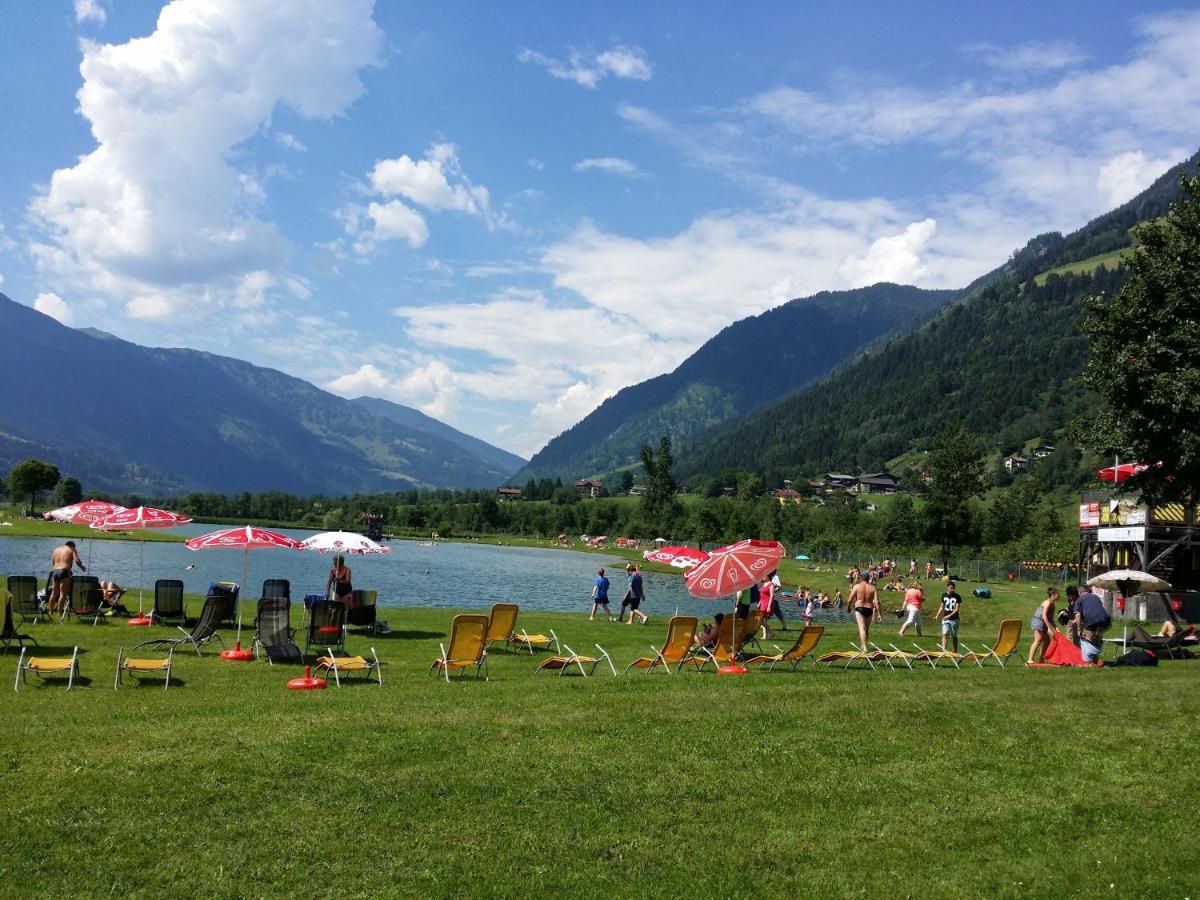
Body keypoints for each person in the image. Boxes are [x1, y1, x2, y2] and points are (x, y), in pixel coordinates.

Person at [48, 540, 86, 617]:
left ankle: (51, 612)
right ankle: (60, 613)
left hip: (54, 571)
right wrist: (82, 567)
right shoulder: (72, 549)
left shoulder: (56, 550)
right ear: (72, 546)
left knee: (54, 593)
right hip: (63, 572)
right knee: (63, 594)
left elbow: (53, 562)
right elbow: (77, 560)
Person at [1073, 587, 1110, 663]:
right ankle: (1096, 660)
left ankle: (1088, 661)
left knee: (1084, 638)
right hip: (1106, 621)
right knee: (1096, 639)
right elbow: (1094, 609)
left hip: (1092, 620)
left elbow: (1078, 615)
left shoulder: (1079, 599)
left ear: (1080, 592)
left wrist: (1079, 629)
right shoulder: (1096, 597)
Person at [848, 572, 881, 650]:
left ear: (861, 578)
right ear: (868, 578)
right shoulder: (873, 588)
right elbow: (877, 602)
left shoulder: (856, 586)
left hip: (860, 608)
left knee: (862, 628)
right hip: (869, 609)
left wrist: (848, 607)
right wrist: (879, 614)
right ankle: (863, 645)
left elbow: (850, 600)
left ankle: (865, 647)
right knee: (866, 629)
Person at [1027, 587, 1059, 665]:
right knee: (1038, 640)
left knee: (1047, 641)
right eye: (1058, 594)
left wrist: (1056, 628)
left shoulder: (1053, 605)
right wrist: (1048, 628)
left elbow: (1050, 619)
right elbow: (1044, 616)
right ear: (1053, 595)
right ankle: (1030, 660)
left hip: (1043, 622)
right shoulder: (1047, 603)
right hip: (1038, 621)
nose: (1059, 596)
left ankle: (1042, 659)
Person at [934, 580, 963, 653]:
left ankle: (955, 650)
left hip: (954, 619)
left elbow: (956, 609)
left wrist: (948, 616)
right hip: (945, 619)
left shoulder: (957, 596)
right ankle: (943, 650)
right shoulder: (944, 595)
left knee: (954, 636)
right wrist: (937, 615)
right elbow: (942, 607)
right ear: (947, 587)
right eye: (951, 588)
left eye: (953, 588)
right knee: (945, 634)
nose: (952, 589)